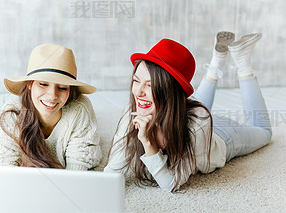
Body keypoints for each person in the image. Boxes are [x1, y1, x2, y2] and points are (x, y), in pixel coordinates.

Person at [104, 32, 272, 192]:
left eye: (149, 85)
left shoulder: (198, 124)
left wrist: (148, 142)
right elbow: (112, 172)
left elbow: (170, 184)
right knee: (187, 109)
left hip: (223, 136)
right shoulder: (133, 114)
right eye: (136, 81)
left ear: (169, 91)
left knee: (264, 133)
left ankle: (242, 62)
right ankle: (216, 63)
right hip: (178, 113)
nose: (138, 91)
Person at [0, 43, 102, 170]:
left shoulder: (79, 110)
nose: (52, 96)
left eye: (62, 88)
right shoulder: (13, 112)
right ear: (29, 84)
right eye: (43, 84)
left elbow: (77, 170)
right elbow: (3, 163)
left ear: (70, 90)